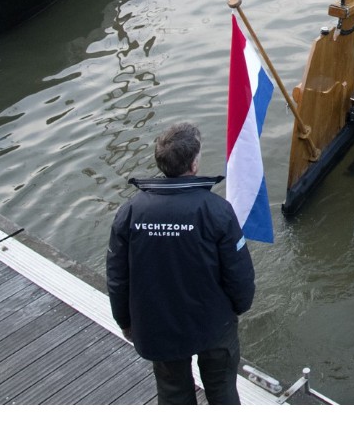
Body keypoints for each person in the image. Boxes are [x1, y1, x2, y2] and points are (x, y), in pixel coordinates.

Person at [106, 121, 255, 405]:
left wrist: (125, 321)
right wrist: (239, 306)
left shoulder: (130, 212)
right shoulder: (217, 211)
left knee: (173, 393)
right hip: (213, 325)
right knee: (223, 391)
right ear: (195, 164)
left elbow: (117, 276)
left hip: (158, 326)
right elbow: (239, 273)